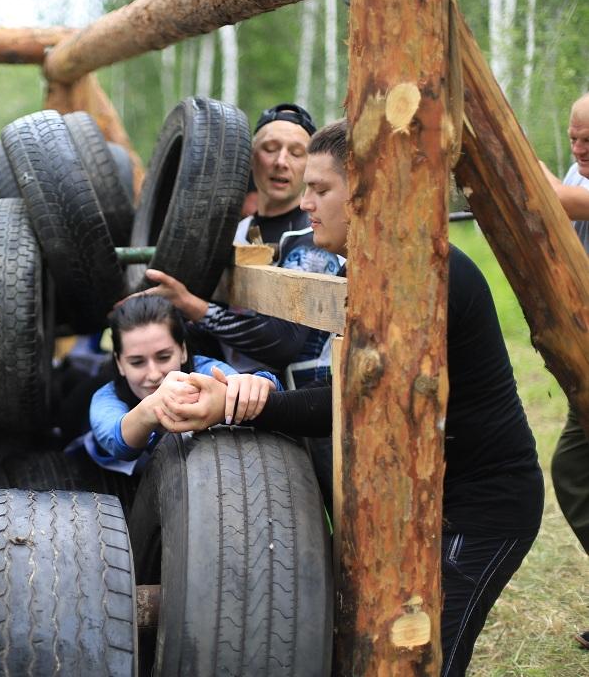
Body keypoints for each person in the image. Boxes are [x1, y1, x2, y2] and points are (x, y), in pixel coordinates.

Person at [154, 119, 544, 677]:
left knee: (417, 663)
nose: (307, 202)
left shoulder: (422, 278)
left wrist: (237, 404)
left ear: (364, 191)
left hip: (481, 510)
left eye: (321, 189)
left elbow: (354, 405)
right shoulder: (369, 267)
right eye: (307, 188)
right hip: (421, 499)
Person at [141, 102, 341, 387]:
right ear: (250, 157)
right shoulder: (233, 232)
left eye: (297, 153)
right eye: (270, 148)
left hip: (288, 400)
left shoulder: (316, 236)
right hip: (219, 380)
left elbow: (281, 343)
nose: (281, 162)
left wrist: (191, 305)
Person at [69, 294, 281, 476]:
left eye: (163, 357)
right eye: (137, 362)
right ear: (119, 363)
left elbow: (238, 387)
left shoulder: (204, 369)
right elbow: (119, 444)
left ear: (183, 351)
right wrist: (152, 408)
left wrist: (264, 383)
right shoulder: (106, 398)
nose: (153, 374)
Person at [540, 92, 589, 650]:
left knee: (574, 471)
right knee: (575, 473)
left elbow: (560, 200)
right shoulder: (579, 170)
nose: (578, 149)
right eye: (574, 137)